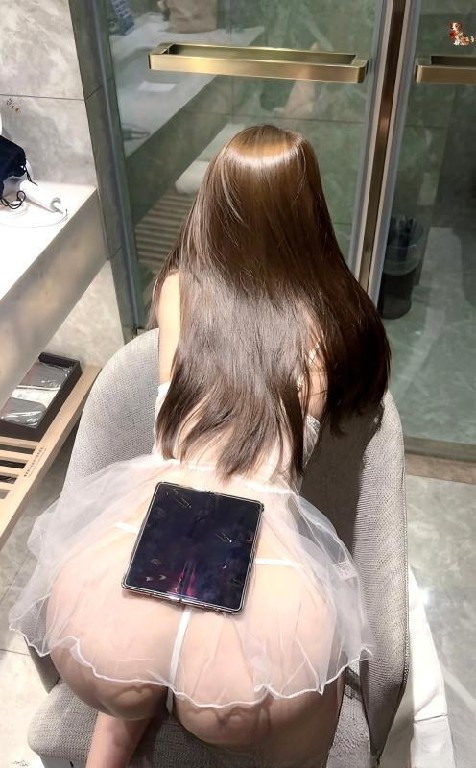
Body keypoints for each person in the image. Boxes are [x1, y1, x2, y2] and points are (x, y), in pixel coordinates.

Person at [10, 125, 391, 768]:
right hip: (262, 555)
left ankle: (117, 735)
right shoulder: (330, 317)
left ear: (214, 202)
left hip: (153, 534)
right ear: (308, 212)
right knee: (317, 685)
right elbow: (364, 393)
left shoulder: (178, 291)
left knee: (129, 667)